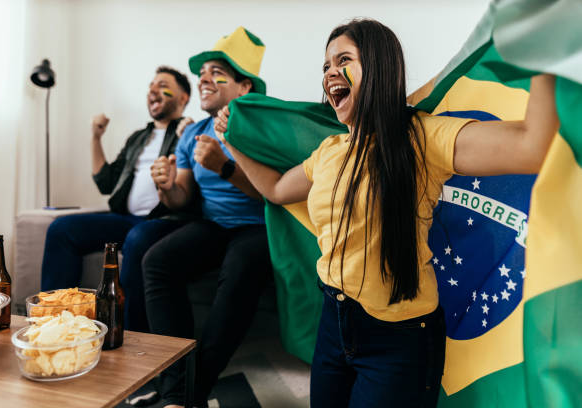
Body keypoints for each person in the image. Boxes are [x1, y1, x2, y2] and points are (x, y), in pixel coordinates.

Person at [214, 19, 559, 408]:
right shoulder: (329, 151)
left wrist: (544, 45)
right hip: (334, 321)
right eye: (325, 66)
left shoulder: (422, 137)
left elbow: (532, 145)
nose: (329, 74)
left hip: (399, 340)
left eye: (342, 60)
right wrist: (232, 142)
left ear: (379, 66)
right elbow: (276, 190)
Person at [142, 27, 272, 408]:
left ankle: (187, 393)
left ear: (244, 87)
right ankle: (177, 388)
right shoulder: (192, 134)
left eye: (218, 73)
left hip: (259, 225)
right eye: (203, 74)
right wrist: (166, 187)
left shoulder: (263, 129)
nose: (204, 80)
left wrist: (225, 167)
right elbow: (183, 198)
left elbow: (275, 194)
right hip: (214, 225)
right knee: (157, 262)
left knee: (243, 262)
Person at [41, 66, 197, 333]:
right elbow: (106, 182)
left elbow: (192, 191)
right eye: (151, 85)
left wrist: (190, 132)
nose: (153, 90)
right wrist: (96, 137)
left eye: (163, 85)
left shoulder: (189, 132)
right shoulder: (138, 138)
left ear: (183, 97)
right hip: (126, 219)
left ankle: (126, 332)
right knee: (61, 229)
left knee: (138, 237)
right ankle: (54, 324)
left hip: (166, 221)